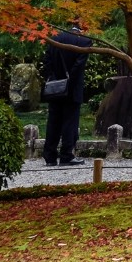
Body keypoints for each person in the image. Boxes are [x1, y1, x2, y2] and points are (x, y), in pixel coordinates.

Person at [41, 27, 92, 167]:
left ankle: (49, 156)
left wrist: (52, 79)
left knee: (53, 122)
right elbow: (78, 66)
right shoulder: (84, 42)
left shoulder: (55, 38)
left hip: (54, 87)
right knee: (70, 122)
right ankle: (66, 155)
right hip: (72, 88)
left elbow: (47, 62)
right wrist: (69, 82)